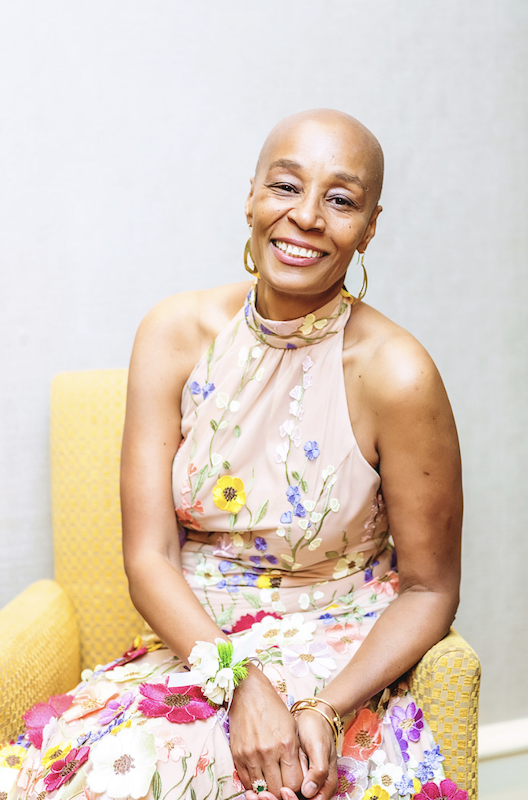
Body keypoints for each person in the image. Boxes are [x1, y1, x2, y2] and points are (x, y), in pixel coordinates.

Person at [10, 109, 464, 800]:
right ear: (251, 194)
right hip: (195, 646)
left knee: (279, 783)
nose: (307, 216)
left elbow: (431, 589)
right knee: (129, 773)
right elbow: (149, 559)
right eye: (286, 187)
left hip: (339, 654)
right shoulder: (172, 334)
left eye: (340, 199)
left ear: (370, 225)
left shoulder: (399, 375)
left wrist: (325, 710)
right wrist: (237, 679)